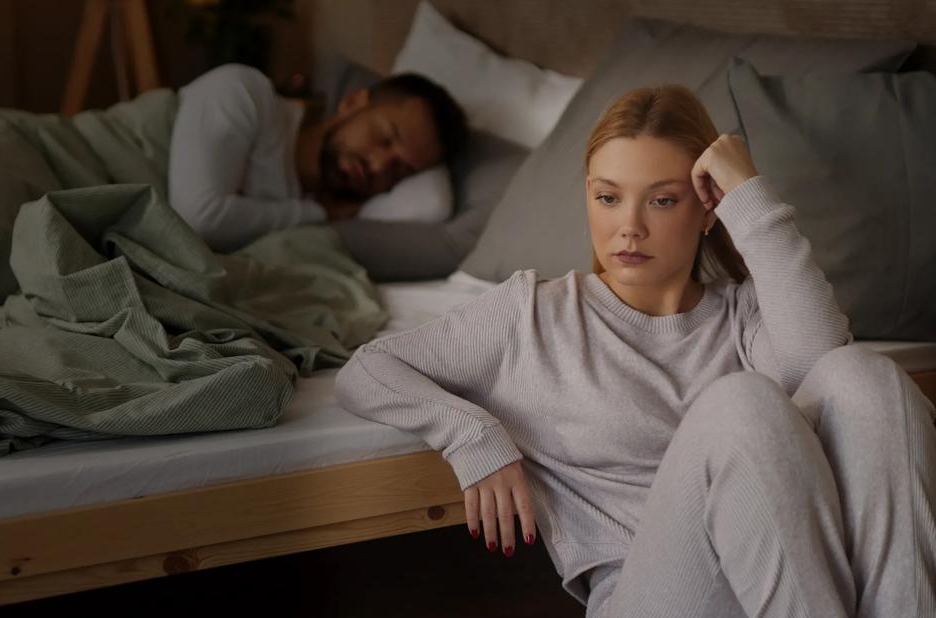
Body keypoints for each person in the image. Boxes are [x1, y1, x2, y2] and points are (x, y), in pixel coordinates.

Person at [335, 84, 936, 617]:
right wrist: (473, 437)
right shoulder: (532, 315)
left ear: (708, 211)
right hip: (649, 597)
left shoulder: (747, 315)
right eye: (607, 197)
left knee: (867, 377)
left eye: (662, 200)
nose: (629, 227)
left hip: (790, 590)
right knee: (741, 405)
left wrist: (748, 194)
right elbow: (367, 370)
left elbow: (822, 364)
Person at [168, 63, 468, 253]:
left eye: (399, 170)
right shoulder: (245, 92)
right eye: (385, 137)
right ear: (352, 102)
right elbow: (197, 221)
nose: (377, 166)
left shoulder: (304, 228)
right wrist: (319, 213)